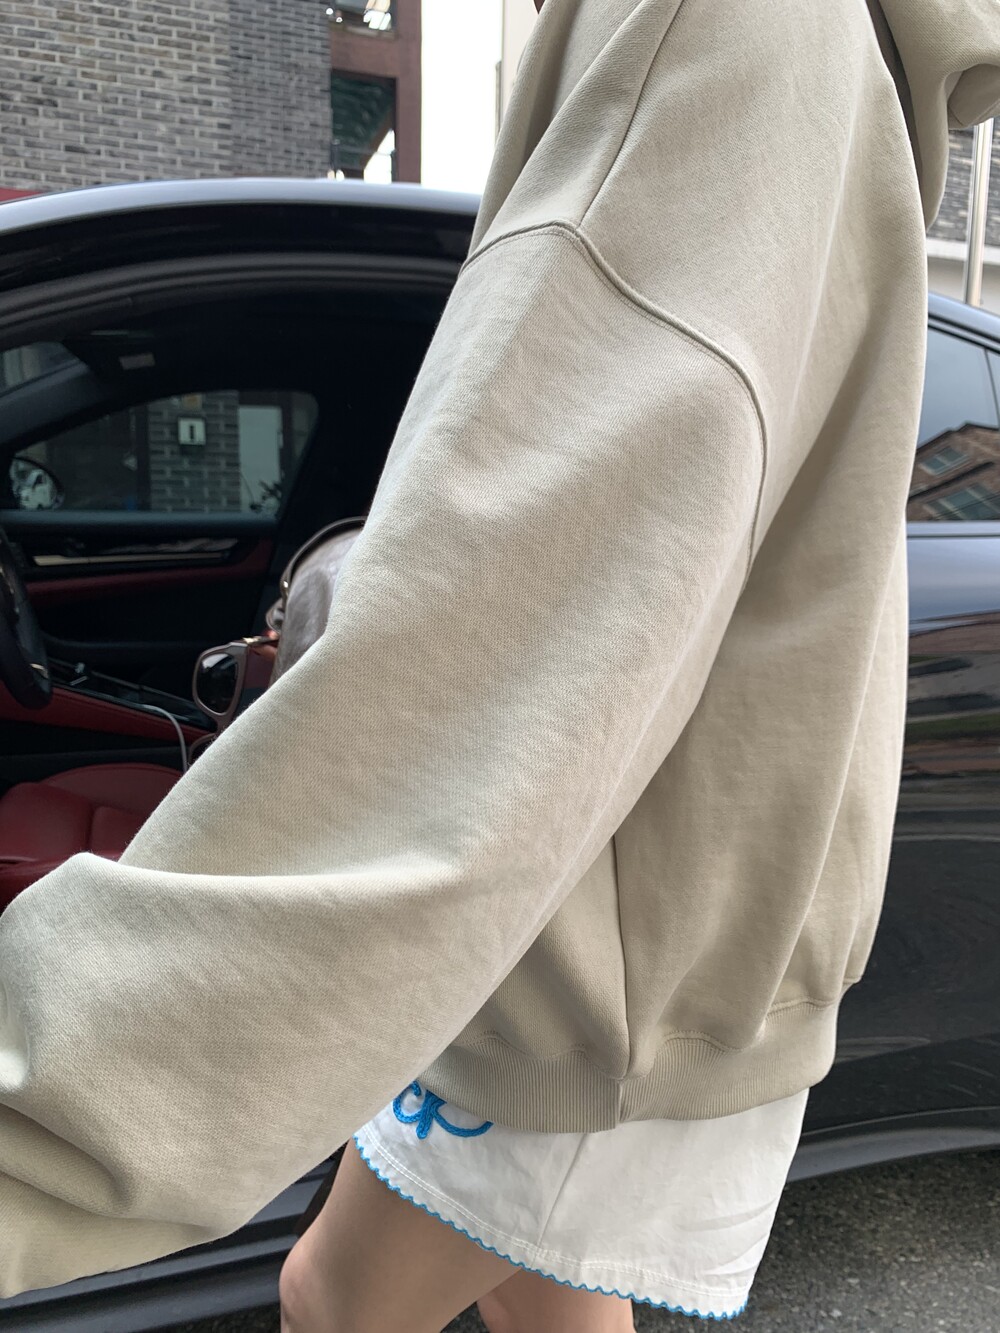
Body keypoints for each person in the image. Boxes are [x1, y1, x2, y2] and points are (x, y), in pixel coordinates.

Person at [1, 0, 998, 1327]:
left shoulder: (722, 29)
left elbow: (502, 624)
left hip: (582, 946)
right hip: (622, 925)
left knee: (342, 1300)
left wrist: (43, 1115)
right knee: (543, 1305)